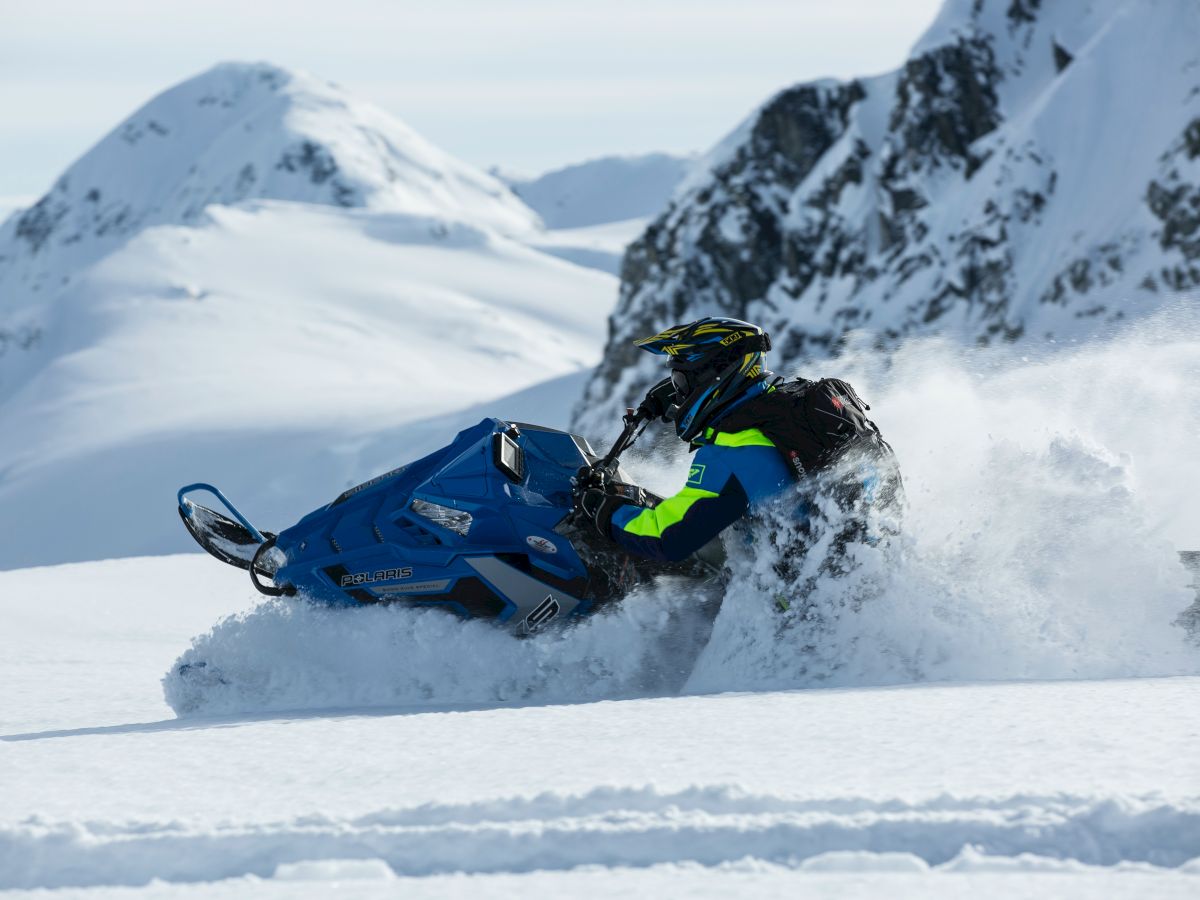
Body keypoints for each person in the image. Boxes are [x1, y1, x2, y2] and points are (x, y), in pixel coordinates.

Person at [573, 316, 900, 563]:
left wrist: (604, 509)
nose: (677, 394)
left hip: (796, 607)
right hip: (848, 566)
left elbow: (667, 537)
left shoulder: (732, 452)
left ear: (713, 377)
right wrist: (666, 395)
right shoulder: (783, 409)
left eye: (681, 382)